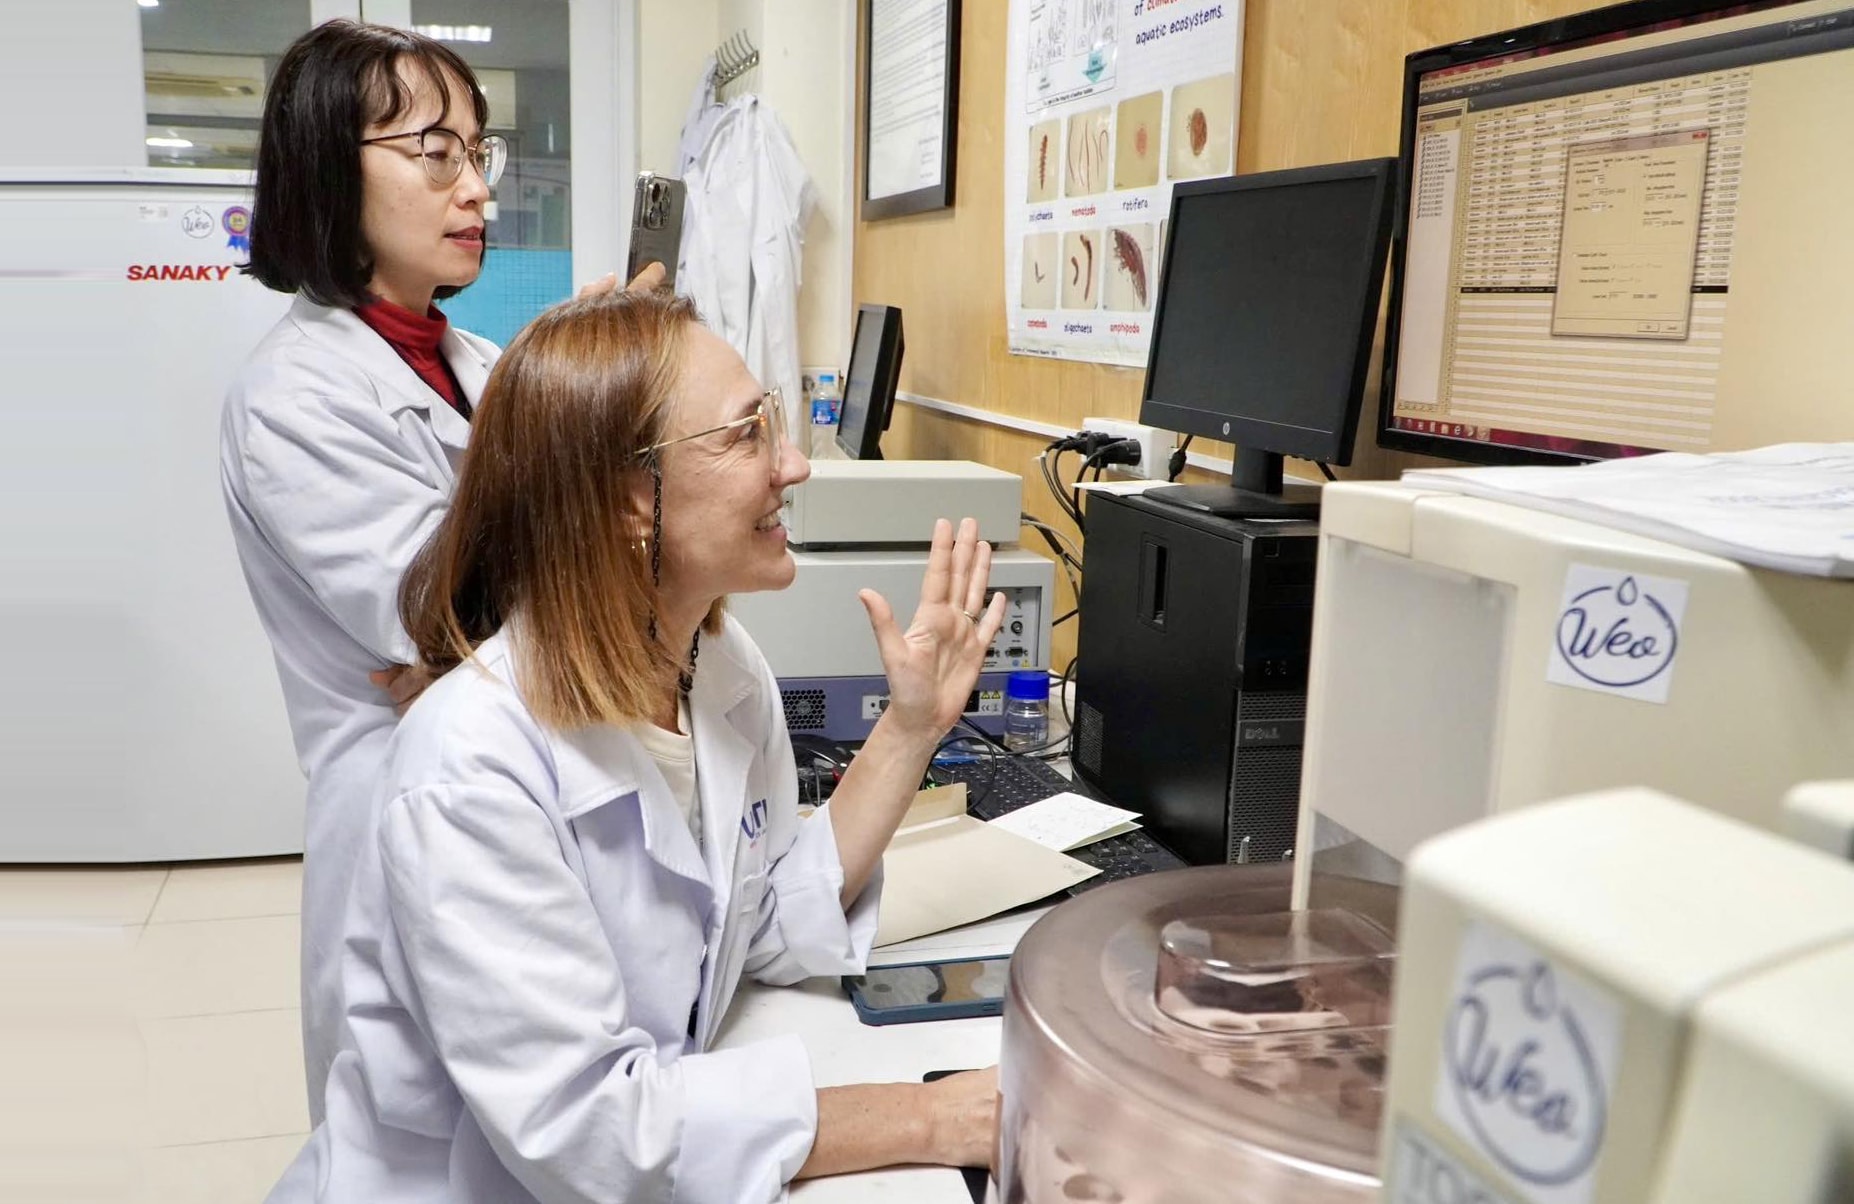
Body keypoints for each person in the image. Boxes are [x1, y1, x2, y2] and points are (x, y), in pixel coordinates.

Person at [265, 287, 1005, 1202]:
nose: (795, 465)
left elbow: (759, 926)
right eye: (746, 436)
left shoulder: (721, 666)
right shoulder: (471, 762)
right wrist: (934, 1117)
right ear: (629, 499)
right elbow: (596, 1130)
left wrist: (912, 728)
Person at [219, 19, 657, 1119]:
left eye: (480, 151)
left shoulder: (478, 362)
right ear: (329, 163)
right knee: (419, 1133)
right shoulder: (295, 396)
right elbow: (441, 612)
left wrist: (585, 393)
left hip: (512, 768)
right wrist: (462, 644)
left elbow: (514, 592)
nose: (477, 188)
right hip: (403, 807)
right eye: (436, 152)